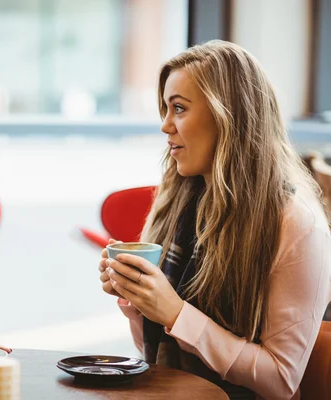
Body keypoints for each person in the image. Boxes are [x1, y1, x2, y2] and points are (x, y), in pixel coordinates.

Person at [98, 40, 331, 399]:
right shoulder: (178, 200)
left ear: (228, 116)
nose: (165, 126)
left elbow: (281, 381)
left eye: (178, 108)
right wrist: (137, 298)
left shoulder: (296, 225)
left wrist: (176, 314)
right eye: (165, 109)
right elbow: (154, 352)